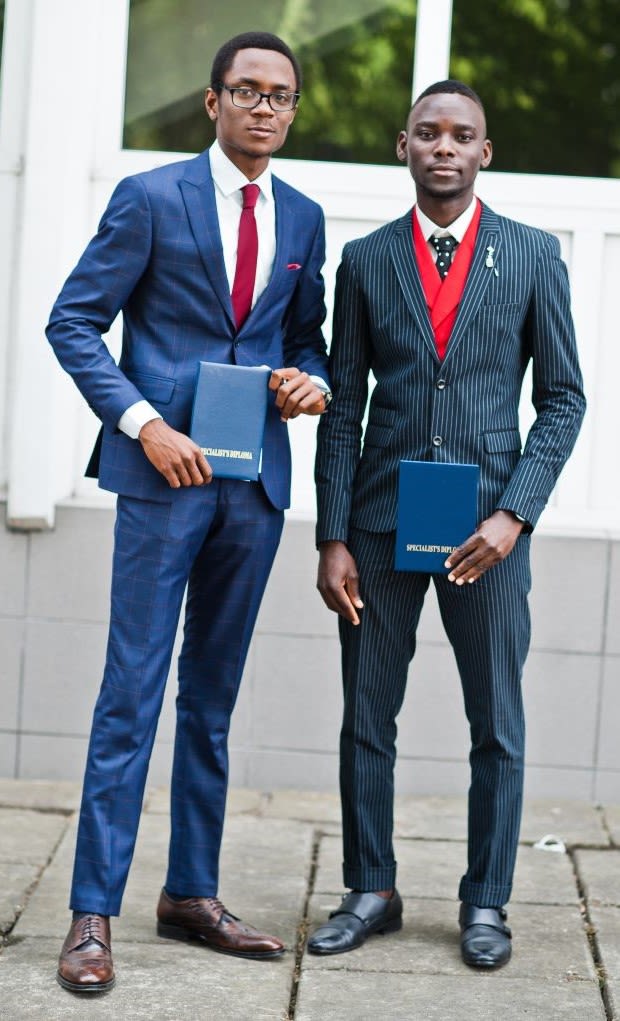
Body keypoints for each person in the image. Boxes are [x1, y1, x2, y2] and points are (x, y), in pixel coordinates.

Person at [47, 32, 330, 993]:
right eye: (246, 90)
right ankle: (92, 913)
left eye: (280, 95)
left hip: (252, 488)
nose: (264, 107)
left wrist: (311, 383)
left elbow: (306, 339)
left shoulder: (302, 218)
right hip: (162, 480)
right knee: (130, 693)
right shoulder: (151, 198)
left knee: (210, 702)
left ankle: (191, 894)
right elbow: (71, 321)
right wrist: (142, 423)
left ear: (293, 111)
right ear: (213, 103)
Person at [310, 80, 585, 969]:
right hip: (382, 524)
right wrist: (332, 533)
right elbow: (344, 400)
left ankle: (486, 901)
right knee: (366, 716)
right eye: (427, 132)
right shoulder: (365, 261)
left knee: (496, 722)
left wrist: (516, 513)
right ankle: (371, 886)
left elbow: (564, 399)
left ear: (484, 152)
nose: (443, 147)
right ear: (402, 146)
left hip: (485, 534)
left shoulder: (534, 256)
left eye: (461, 134)